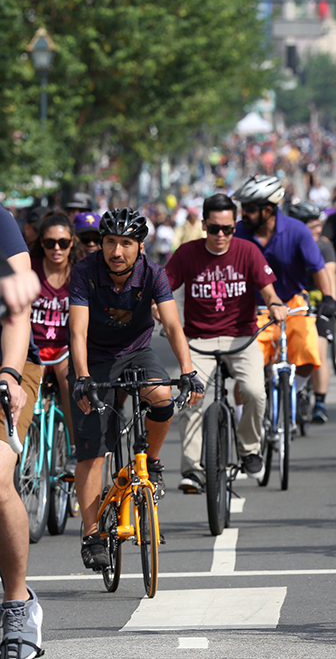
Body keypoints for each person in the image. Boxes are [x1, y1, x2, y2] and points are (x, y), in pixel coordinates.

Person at [68, 208, 204, 571]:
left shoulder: (154, 274)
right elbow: (77, 332)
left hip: (137, 352)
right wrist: (82, 376)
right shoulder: (84, 272)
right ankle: (93, 534)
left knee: (161, 396)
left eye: (126, 243)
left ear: (140, 247)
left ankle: (153, 461)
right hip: (94, 358)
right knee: (92, 453)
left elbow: (174, 327)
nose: (117, 251)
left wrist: (188, 371)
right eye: (110, 242)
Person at [164, 194, 287, 494]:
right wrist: (157, 307)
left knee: (255, 392)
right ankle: (192, 470)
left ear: (235, 226)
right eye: (214, 228)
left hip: (242, 337)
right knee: (191, 398)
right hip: (198, 339)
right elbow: (163, 289)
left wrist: (275, 305)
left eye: (228, 229)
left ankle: (249, 450)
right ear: (204, 225)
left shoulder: (249, 251)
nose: (221, 235)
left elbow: (268, 292)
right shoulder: (186, 253)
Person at [232, 174, 336, 387]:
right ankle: (247, 415)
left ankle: (291, 397)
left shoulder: (297, 231)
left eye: (249, 209)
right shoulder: (237, 232)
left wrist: (328, 298)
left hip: (292, 304)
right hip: (252, 308)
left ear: (267, 210)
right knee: (247, 375)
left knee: (309, 354)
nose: (243, 214)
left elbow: (318, 268)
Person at [0, 206, 44, 659]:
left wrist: (10, 373)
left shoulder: (0, 222)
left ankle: (17, 604)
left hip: (8, 365)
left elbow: (18, 310)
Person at [28, 213, 83, 472]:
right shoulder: (29, 268)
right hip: (33, 350)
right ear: (41, 243)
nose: (57, 249)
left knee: (69, 382)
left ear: (72, 242)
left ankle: (74, 448)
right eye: (50, 243)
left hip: (63, 349)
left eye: (63, 242)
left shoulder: (80, 274)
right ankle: (23, 447)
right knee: (26, 391)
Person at [286, 202, 336, 424]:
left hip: (318, 305)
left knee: (317, 348)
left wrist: (330, 300)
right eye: (314, 225)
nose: (319, 229)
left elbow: (330, 277)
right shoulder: (286, 245)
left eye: (320, 224)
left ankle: (319, 401)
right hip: (292, 305)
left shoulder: (324, 247)